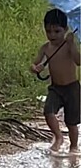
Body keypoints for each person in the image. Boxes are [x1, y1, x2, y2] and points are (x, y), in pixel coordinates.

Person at [30, 8, 80, 154]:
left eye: (57, 31)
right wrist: (36, 68)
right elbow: (33, 65)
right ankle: (58, 137)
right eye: (48, 31)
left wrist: (72, 45)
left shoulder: (69, 46)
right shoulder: (46, 48)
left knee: (72, 122)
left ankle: (74, 146)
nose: (52, 35)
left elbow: (78, 61)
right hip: (55, 88)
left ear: (65, 30)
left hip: (72, 88)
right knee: (48, 112)